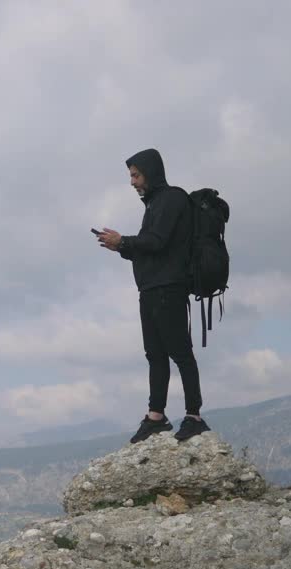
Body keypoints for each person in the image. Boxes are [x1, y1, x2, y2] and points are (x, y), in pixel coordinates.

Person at [94, 148, 210, 443]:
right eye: (131, 176)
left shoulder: (172, 199)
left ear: (150, 172)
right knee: (155, 354)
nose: (132, 182)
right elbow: (149, 250)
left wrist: (125, 241)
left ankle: (194, 417)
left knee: (180, 353)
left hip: (168, 288)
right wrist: (119, 246)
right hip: (150, 290)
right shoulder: (154, 204)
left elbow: (157, 242)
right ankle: (156, 416)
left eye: (136, 175)